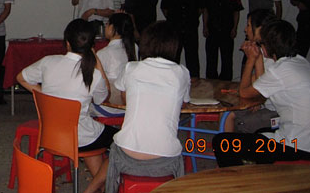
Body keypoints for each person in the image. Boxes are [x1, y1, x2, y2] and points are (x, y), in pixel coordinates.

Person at [84, 21, 190, 193]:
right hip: (165, 160)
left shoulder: (131, 68)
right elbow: (183, 104)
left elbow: (125, 99)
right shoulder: (182, 73)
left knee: (116, 148)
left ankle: (91, 189)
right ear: (174, 46)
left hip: (127, 157)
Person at [17, 19, 116, 187]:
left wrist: (44, 95)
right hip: (81, 139)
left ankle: (98, 186)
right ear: (92, 46)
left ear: (67, 43)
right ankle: (94, 188)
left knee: (92, 130)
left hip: (51, 137)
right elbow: (102, 99)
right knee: (121, 141)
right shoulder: (94, 74)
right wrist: (97, 61)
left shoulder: (48, 62)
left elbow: (21, 78)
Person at [213, 19, 310, 166]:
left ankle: (238, 179)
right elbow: (263, 93)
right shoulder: (301, 62)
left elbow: (244, 93)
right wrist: (259, 59)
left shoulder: (279, 71)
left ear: (266, 47)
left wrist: (251, 59)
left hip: (297, 146)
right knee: (260, 133)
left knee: (222, 142)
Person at [223, 9, 277, 133]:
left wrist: (251, 59)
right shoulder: (260, 51)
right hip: (264, 103)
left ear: (260, 29)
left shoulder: (270, 57)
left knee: (239, 121)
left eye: (248, 25)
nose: (245, 30)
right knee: (227, 113)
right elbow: (252, 85)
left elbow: (247, 91)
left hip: (276, 111)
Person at [160, 0, 204, 78]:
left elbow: (201, 7)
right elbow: (164, 8)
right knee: (173, 57)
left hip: (190, 28)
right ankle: (173, 80)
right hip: (174, 29)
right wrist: (172, 19)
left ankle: (195, 82)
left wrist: (192, 18)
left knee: (192, 57)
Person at [202, 0, 243, 80]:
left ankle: (226, 83)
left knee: (227, 59)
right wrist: (205, 26)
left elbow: (236, 11)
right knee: (211, 59)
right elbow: (205, 11)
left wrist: (235, 28)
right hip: (212, 29)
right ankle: (211, 84)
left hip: (227, 30)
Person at [93, 13, 136, 116]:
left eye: (107, 24)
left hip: (109, 105)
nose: (105, 27)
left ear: (112, 28)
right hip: (130, 104)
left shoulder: (103, 53)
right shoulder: (135, 48)